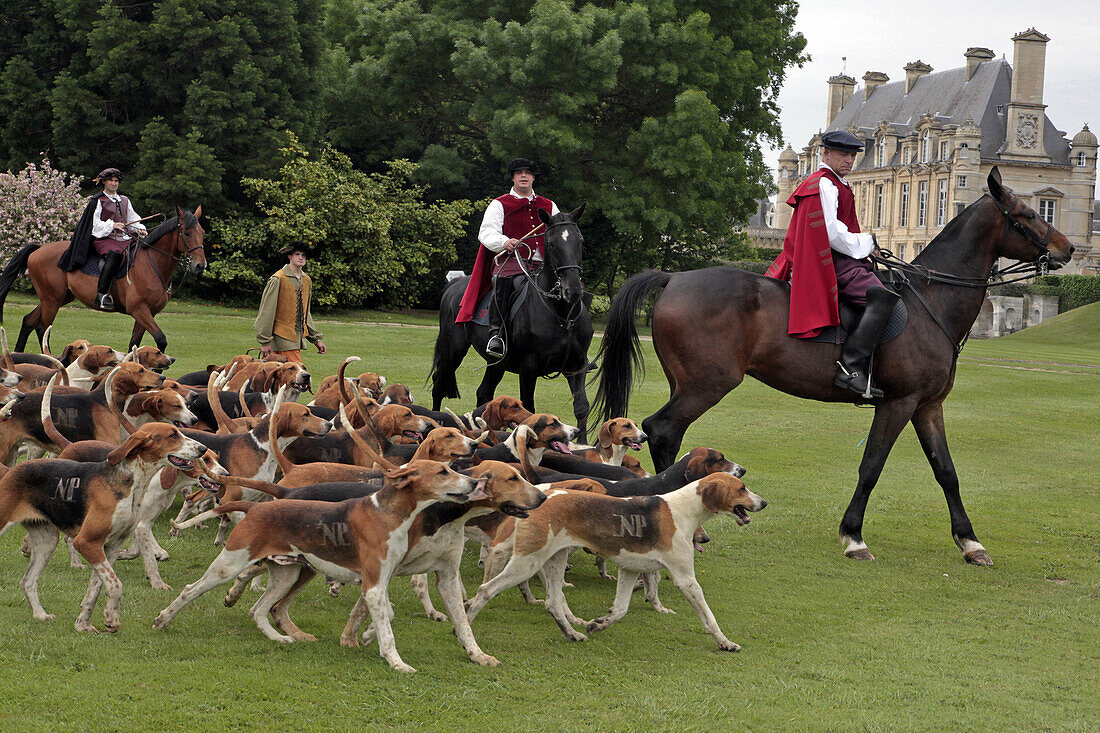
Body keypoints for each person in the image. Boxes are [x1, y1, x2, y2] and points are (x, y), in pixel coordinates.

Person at [765, 130, 899, 400]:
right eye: (843, 154)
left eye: (852, 155)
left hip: (838, 257)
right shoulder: (824, 184)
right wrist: (867, 243)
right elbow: (831, 234)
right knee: (882, 298)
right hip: (830, 261)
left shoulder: (835, 183)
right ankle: (850, 368)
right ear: (826, 154)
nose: (849, 160)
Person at [456, 158, 560, 359]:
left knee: (573, 285)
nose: (523, 176)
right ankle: (497, 335)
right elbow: (486, 233)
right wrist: (504, 242)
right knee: (503, 281)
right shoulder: (499, 204)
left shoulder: (549, 205)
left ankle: (575, 341)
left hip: (543, 264)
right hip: (511, 262)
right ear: (513, 177)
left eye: (528, 172)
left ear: (533, 177)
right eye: (519, 172)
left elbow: (559, 230)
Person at [58, 167, 148, 311]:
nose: (114, 183)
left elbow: (133, 219)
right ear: (104, 182)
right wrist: (112, 225)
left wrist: (140, 228)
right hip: (104, 239)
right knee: (116, 254)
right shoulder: (98, 201)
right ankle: (102, 294)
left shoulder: (124, 200)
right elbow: (94, 225)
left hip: (124, 238)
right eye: (111, 181)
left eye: (116, 181)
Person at [254, 242, 326, 362]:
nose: (301, 257)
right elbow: (266, 312)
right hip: (282, 335)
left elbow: (306, 313)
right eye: (297, 254)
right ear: (289, 256)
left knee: (281, 377)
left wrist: (316, 339)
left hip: (296, 338)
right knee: (298, 376)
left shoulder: (306, 280)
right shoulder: (278, 279)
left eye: (303, 255)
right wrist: (265, 341)